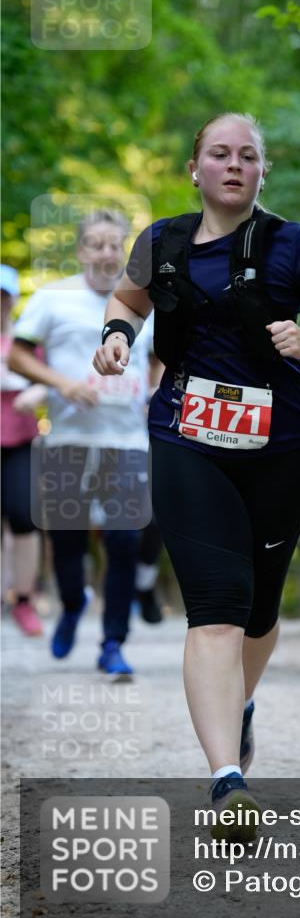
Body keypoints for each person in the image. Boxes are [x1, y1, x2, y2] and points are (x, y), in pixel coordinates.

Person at [92, 112, 300, 830]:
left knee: (258, 611)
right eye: (219, 153)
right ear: (196, 168)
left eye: (248, 155)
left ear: (261, 171)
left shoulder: (290, 246)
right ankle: (227, 782)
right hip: (186, 436)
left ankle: (237, 704)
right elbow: (127, 297)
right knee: (215, 604)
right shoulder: (163, 242)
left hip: (278, 446)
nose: (233, 164)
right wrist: (117, 339)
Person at [9, 211, 153, 675]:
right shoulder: (55, 298)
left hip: (127, 442)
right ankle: (72, 604)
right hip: (69, 440)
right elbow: (16, 352)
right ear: (81, 250)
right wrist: (62, 385)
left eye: (116, 244)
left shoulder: (145, 302)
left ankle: (113, 642)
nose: (107, 252)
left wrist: (152, 391)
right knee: (68, 544)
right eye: (97, 244)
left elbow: (161, 359)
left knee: (124, 540)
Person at [1, 264, 44, 636]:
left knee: (24, 517)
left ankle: (25, 600)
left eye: (3, 297)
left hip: (20, 441)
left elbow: (51, 379)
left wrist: (35, 392)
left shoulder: (26, 340)